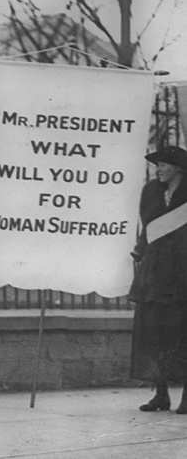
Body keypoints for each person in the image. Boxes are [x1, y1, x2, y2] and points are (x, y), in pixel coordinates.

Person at [129, 145, 187, 413]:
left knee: (181, 334)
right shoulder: (151, 192)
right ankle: (160, 394)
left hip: (182, 272)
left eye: (164, 165)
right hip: (155, 272)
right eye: (157, 165)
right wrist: (140, 250)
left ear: (178, 168)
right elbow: (147, 226)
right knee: (154, 333)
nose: (159, 170)